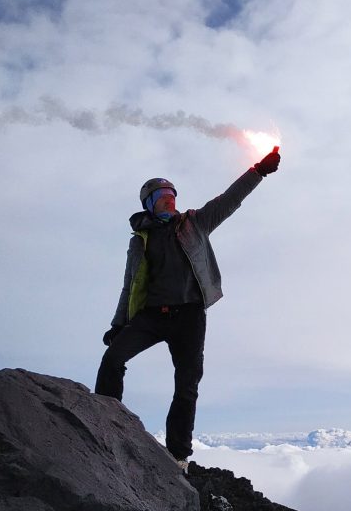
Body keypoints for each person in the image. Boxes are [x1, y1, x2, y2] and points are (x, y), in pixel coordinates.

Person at [95, 150, 281, 472]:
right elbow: (129, 286)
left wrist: (258, 171)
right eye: (161, 196)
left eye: (171, 194)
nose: (169, 200)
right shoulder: (140, 240)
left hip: (190, 317)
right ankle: (102, 424)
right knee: (113, 359)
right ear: (149, 204)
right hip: (152, 316)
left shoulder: (194, 223)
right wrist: (118, 325)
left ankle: (178, 456)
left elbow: (229, 199)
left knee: (187, 384)